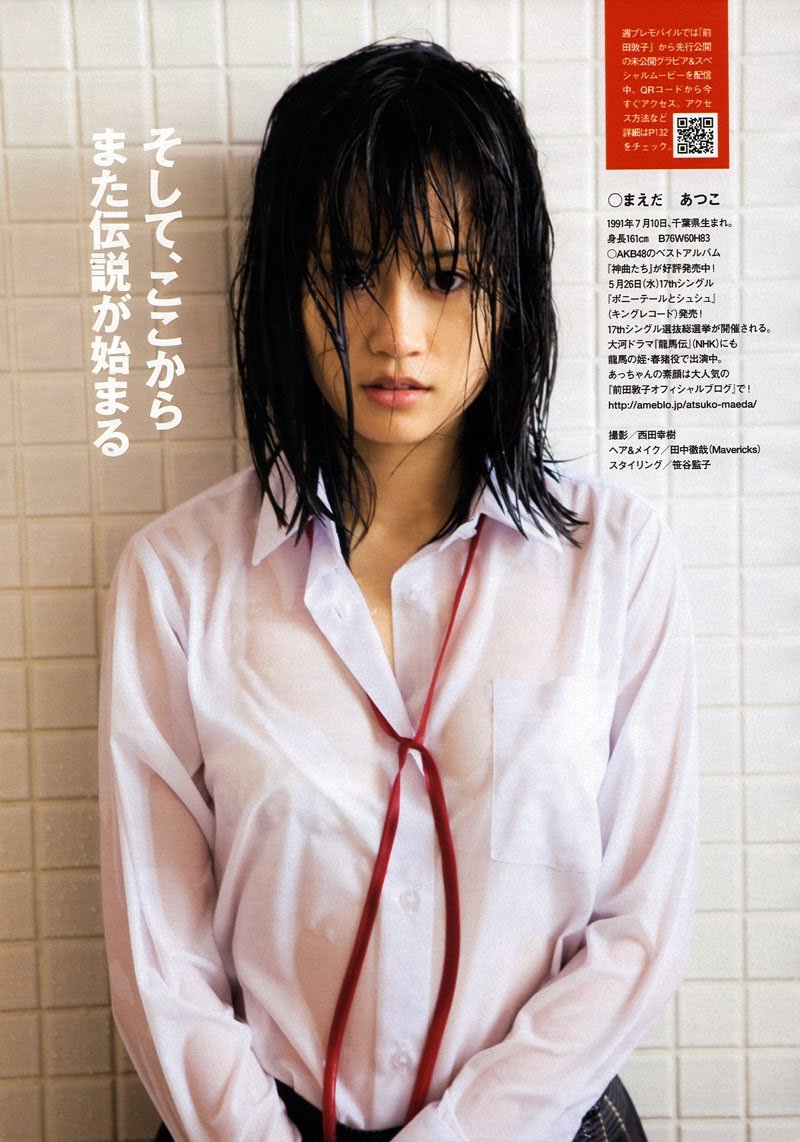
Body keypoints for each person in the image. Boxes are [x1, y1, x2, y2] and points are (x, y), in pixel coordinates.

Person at [99, 40, 697, 1142]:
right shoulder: (177, 581)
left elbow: (635, 929)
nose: (396, 331)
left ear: (510, 289)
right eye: (349, 274)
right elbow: (161, 959)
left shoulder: (616, 559)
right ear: (288, 289)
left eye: (446, 275)